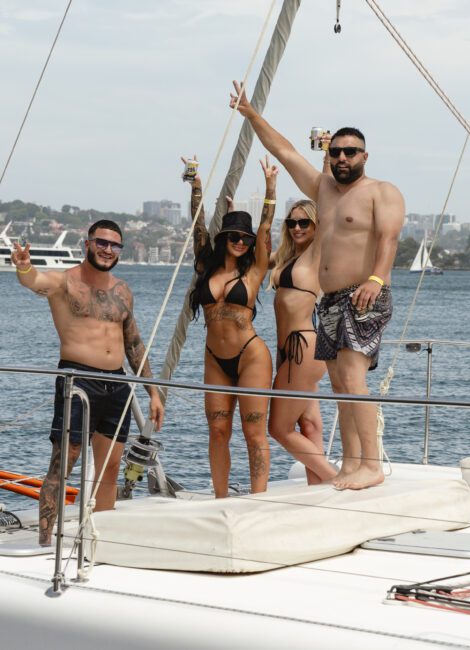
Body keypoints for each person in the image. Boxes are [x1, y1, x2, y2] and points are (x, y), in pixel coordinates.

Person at [230, 80, 405, 490]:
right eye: (336, 152)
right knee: (341, 385)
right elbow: (286, 151)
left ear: (365, 155)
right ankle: (350, 465)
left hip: (366, 292)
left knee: (354, 380)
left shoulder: (382, 192)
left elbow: (388, 240)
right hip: (329, 302)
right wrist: (251, 113)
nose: (342, 157)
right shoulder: (323, 190)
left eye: (350, 151)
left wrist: (376, 280)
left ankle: (371, 465)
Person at [11, 220, 164, 545]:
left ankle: (100, 538)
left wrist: (154, 392)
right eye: (102, 243)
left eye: (114, 245)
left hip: (117, 383)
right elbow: (34, 280)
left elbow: (134, 344)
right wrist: (24, 268)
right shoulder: (65, 282)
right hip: (78, 379)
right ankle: (45, 542)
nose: (108, 249)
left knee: (109, 467)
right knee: (64, 461)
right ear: (88, 244)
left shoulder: (122, 291)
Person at [184, 155, 275, 497]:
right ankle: (219, 496)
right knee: (218, 431)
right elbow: (197, 224)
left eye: (246, 239)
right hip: (214, 358)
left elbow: (265, 228)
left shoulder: (253, 271)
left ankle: (258, 498)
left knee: (254, 433)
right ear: (224, 237)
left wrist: (270, 187)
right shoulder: (205, 267)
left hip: (251, 356)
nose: (241, 242)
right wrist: (195, 184)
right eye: (235, 236)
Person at [268, 198, 337, 484]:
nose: (297, 227)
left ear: (316, 225)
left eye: (304, 222)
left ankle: (336, 479)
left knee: (279, 428)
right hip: (290, 350)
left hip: (302, 346)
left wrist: (324, 158)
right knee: (309, 425)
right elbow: (252, 253)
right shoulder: (287, 256)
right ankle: (319, 491)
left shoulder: (316, 253)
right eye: (291, 222)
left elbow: (328, 203)